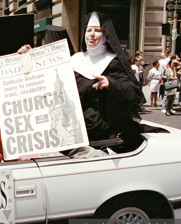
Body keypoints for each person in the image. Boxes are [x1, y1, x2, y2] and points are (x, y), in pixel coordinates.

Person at [19, 12, 145, 151]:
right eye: (88, 30)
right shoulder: (75, 59)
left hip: (98, 134)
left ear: (105, 34)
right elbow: (47, 77)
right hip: (68, 127)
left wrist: (111, 83)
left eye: (97, 30)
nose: (91, 34)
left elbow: (132, 92)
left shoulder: (112, 62)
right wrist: (29, 57)